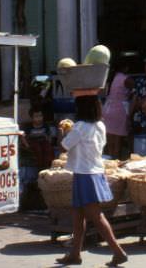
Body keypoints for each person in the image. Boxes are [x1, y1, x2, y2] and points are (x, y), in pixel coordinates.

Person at [56, 95, 127, 266]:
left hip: (84, 174)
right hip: (94, 171)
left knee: (95, 216)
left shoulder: (79, 127)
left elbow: (64, 146)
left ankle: (118, 251)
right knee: (78, 216)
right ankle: (75, 254)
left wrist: (62, 132)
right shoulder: (100, 125)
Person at [102, 57, 133, 159]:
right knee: (117, 143)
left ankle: (110, 162)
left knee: (110, 143)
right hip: (119, 111)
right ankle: (116, 163)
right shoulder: (126, 79)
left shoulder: (110, 78)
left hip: (107, 109)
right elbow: (136, 89)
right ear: (125, 68)